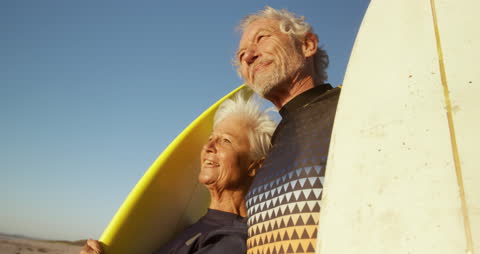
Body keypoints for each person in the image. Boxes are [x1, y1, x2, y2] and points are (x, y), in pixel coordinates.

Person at [80, 94, 277, 254]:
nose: (209, 147)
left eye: (225, 140)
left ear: (255, 166)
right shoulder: (190, 227)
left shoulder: (234, 241)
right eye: (210, 138)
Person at [234, 7, 341, 254]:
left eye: (262, 38)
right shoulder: (272, 148)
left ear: (307, 45)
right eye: (241, 55)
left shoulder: (349, 107)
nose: (249, 55)